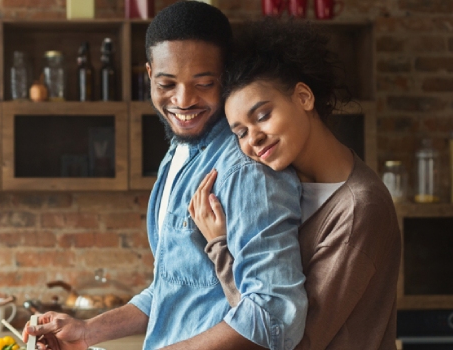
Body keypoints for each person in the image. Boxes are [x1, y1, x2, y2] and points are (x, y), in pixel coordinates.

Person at [23, 2, 308, 349]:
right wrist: (89, 331)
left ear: (226, 75)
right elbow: (176, 284)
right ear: (149, 75)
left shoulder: (246, 169)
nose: (183, 100)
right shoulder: (180, 152)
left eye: (203, 83)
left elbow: (274, 320)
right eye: (167, 83)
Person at [188, 19, 400, 349]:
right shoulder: (284, 187)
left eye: (262, 115)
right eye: (240, 132)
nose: (253, 139)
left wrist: (219, 246)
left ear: (303, 97)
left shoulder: (359, 209)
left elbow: (284, 337)